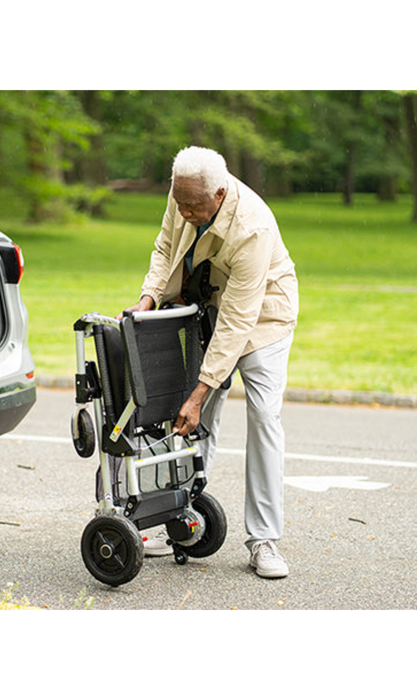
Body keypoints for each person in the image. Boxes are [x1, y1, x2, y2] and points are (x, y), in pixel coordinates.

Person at [123, 146, 299, 579]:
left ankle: (264, 540)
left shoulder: (252, 227)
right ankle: (177, 517)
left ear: (219, 194)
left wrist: (202, 389)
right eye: (179, 201)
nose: (183, 211)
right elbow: (166, 247)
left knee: (263, 417)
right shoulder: (185, 190)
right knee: (192, 420)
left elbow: (239, 321)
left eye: (193, 206)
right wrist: (149, 297)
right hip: (210, 305)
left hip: (264, 316)